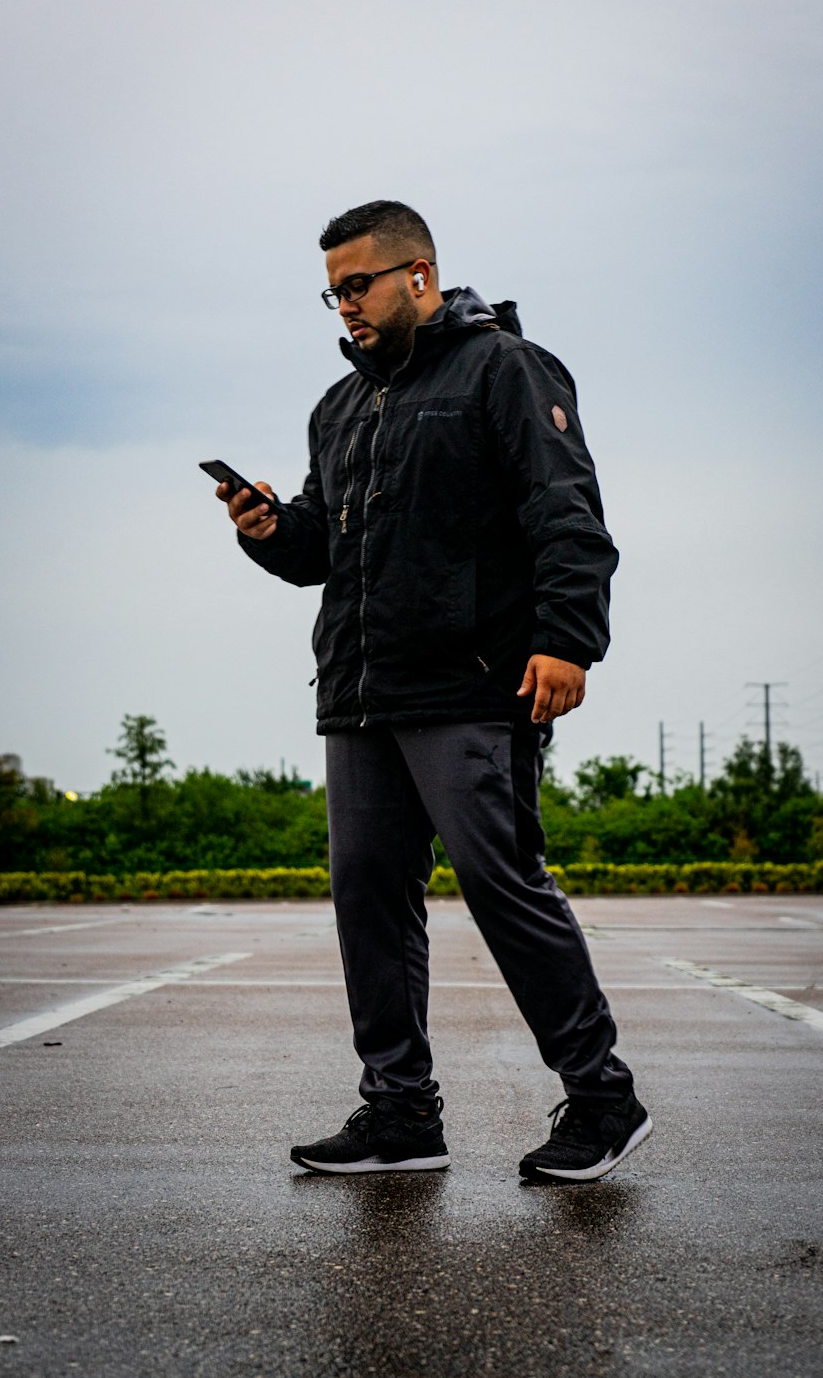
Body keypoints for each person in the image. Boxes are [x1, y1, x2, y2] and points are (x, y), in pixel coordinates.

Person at [217, 200, 652, 1182]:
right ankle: (401, 1113)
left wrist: (567, 640)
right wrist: (269, 531)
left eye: (357, 285)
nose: (344, 308)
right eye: (330, 292)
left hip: (470, 682)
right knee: (367, 895)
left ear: (417, 274)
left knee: (503, 884)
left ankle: (602, 1099)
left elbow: (565, 510)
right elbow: (323, 550)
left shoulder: (504, 369)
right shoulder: (340, 408)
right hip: (363, 690)